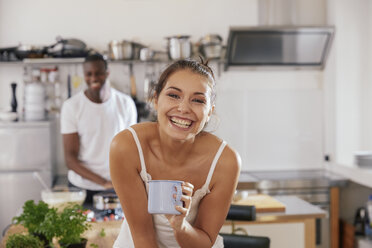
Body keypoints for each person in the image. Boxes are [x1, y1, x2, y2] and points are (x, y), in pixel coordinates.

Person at [110, 58, 241, 247]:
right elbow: (142, 237)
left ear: (209, 112)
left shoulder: (225, 161)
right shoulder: (127, 146)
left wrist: (180, 225)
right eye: (173, 95)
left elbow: (205, 242)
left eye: (197, 100)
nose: (183, 108)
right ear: (155, 99)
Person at [61, 53, 137, 204]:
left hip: (117, 186)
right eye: (89, 74)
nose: (94, 78)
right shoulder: (71, 107)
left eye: (99, 73)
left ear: (107, 73)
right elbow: (70, 160)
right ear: (84, 75)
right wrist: (103, 183)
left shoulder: (125, 103)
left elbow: (132, 150)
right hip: (82, 188)